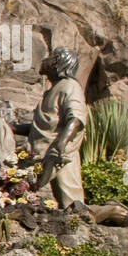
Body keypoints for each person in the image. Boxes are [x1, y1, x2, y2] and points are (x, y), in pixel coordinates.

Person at [24, 47, 88, 208]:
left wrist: (62, 143)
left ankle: (112, 211)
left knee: (73, 205)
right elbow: (42, 127)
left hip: (59, 154)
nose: (45, 60)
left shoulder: (69, 86)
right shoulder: (52, 90)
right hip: (44, 152)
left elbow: (76, 118)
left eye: (51, 57)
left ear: (59, 63)